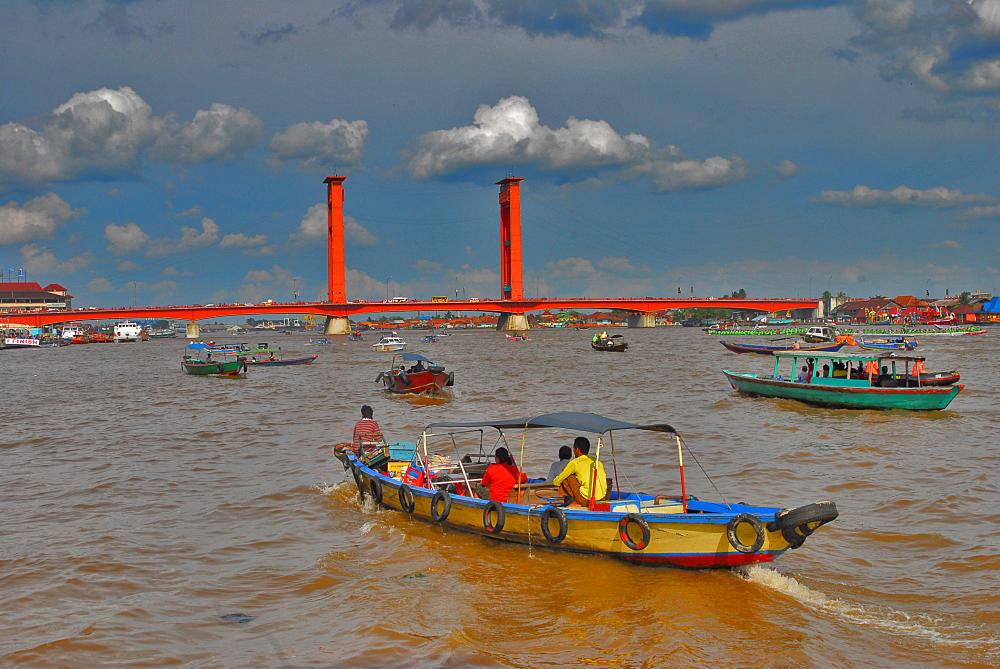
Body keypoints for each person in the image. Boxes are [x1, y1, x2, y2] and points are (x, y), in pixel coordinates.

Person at [553, 437, 608, 507]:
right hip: (603, 498)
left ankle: (573, 502)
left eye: (574, 449)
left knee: (568, 477)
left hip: (588, 500)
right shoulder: (597, 461)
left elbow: (557, 481)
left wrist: (555, 481)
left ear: (577, 450)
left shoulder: (575, 462)